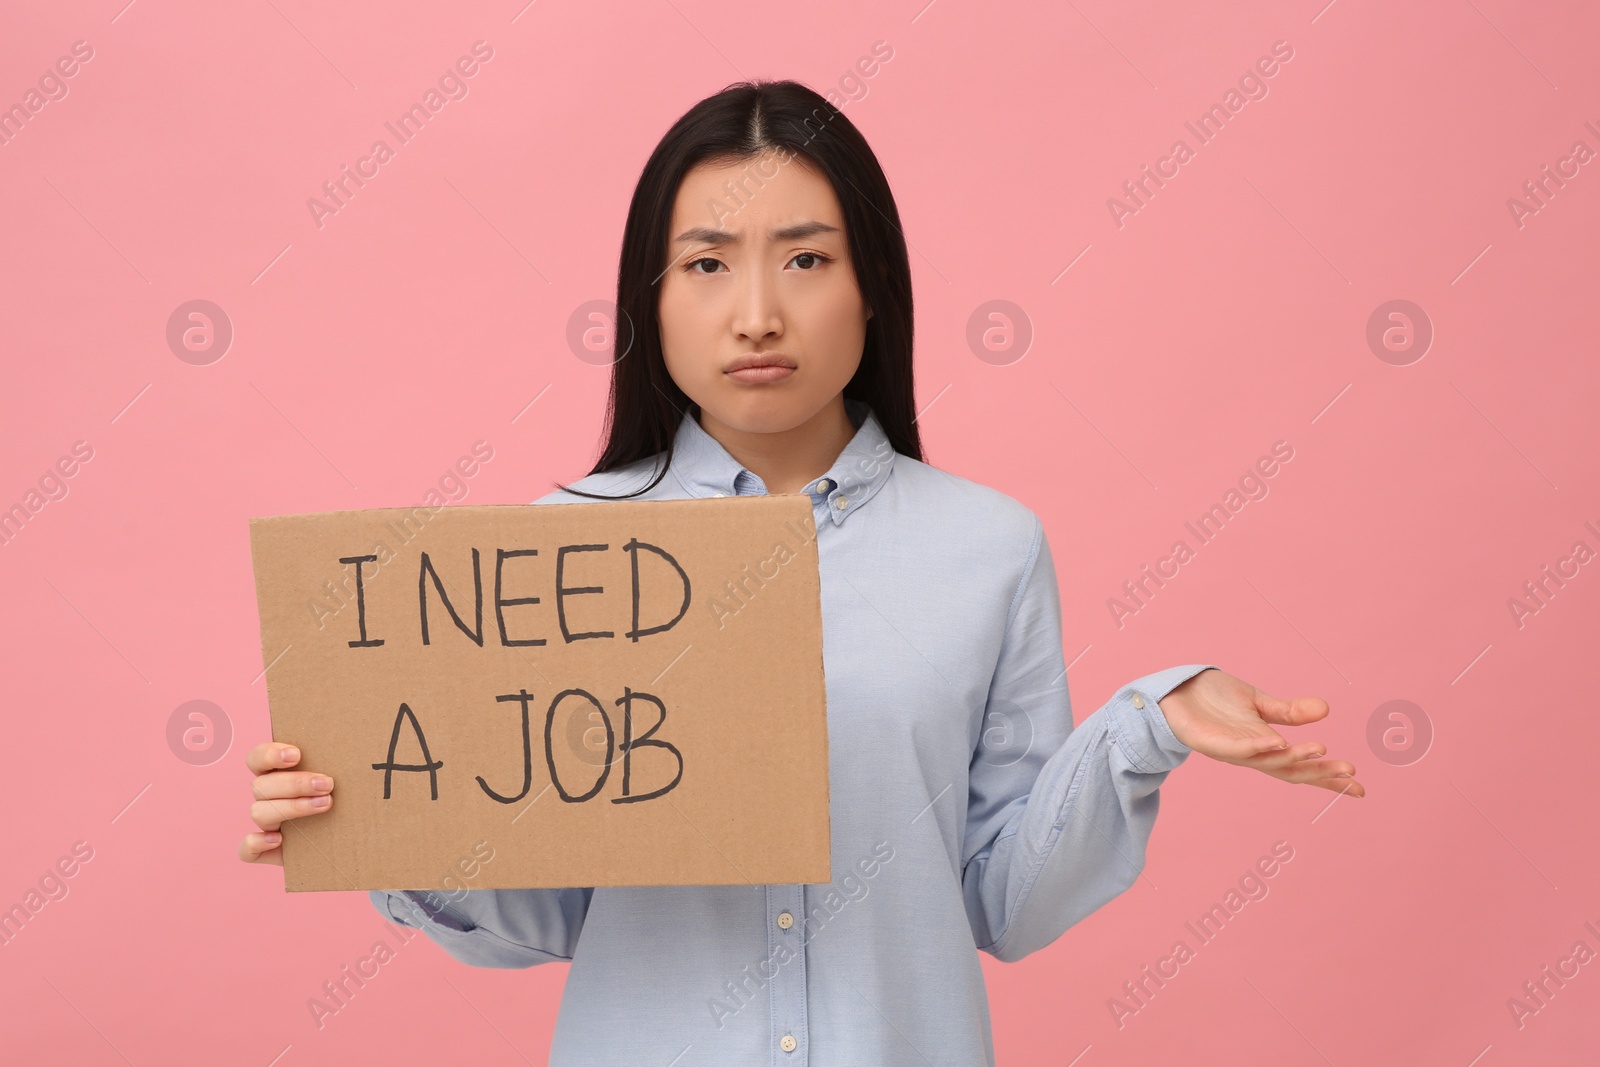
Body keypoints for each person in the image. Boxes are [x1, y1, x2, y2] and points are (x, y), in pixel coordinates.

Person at [239, 78, 1364, 1065]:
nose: (758, 313)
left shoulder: (989, 545)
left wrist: (1148, 720)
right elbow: (543, 909)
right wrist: (378, 813)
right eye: (708, 263)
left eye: (807, 258)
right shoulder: (553, 551)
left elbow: (1003, 898)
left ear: (872, 286)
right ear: (652, 298)